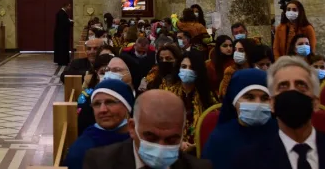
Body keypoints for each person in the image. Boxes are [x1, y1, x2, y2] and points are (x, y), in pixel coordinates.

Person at [234, 56, 325, 168]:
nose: (292, 91)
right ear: (272, 104)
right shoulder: (249, 160)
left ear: (315, 103)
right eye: (283, 86)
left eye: (301, 85)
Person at [83, 90, 212, 169]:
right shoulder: (100, 163)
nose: (161, 146)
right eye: (151, 137)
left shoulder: (199, 167)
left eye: (171, 139)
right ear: (132, 128)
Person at [202, 68, 277, 168]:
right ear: (234, 101)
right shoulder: (220, 139)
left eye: (264, 98)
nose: (257, 103)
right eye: (249, 97)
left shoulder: (281, 133)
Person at [66, 79, 134, 169]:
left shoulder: (141, 141)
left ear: (127, 106)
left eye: (110, 102)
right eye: (97, 104)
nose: (103, 110)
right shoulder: (81, 151)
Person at [166, 51, 215, 151]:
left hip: (200, 147)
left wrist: (197, 144)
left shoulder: (207, 95)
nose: (187, 70)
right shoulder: (168, 94)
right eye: (184, 67)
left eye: (191, 68)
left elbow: (212, 125)